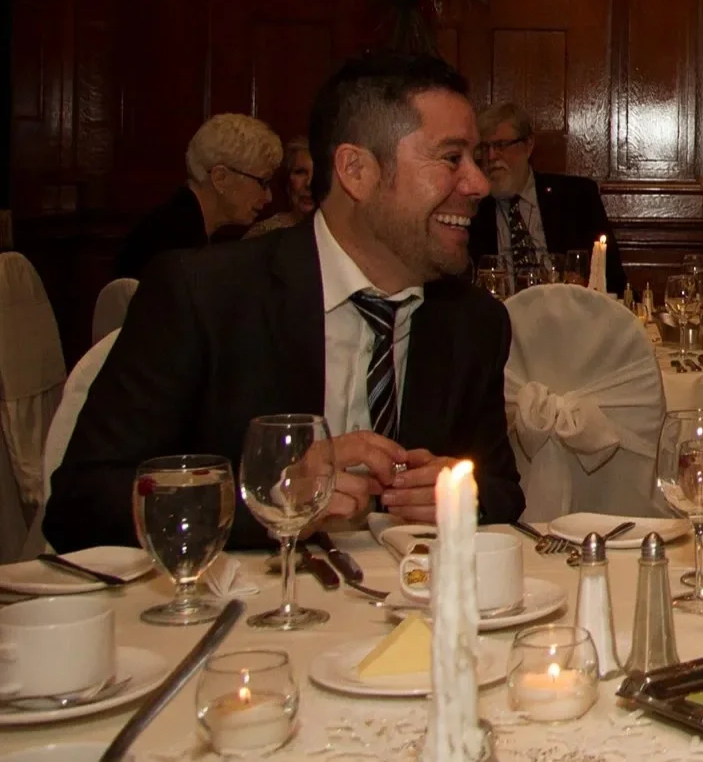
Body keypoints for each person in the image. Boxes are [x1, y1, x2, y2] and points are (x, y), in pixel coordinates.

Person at [47, 50, 524, 551]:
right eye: (451, 158)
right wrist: (272, 498)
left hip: (414, 615)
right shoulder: (205, 296)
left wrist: (460, 493)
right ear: (355, 171)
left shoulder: (474, 323)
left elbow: (501, 490)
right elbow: (82, 504)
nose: (478, 183)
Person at [466, 101, 626, 294]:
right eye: (484, 148)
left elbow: (613, 279)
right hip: (498, 317)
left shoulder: (577, 197)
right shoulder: (472, 208)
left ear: (528, 146)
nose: (491, 156)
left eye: (501, 145)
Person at [114, 114, 282, 278]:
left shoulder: (179, 228)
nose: (268, 197)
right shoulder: (173, 248)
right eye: (263, 182)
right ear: (220, 178)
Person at [246, 136, 316, 237]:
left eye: (318, 174)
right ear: (287, 180)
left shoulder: (342, 234)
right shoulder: (263, 233)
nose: (309, 183)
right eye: (300, 172)